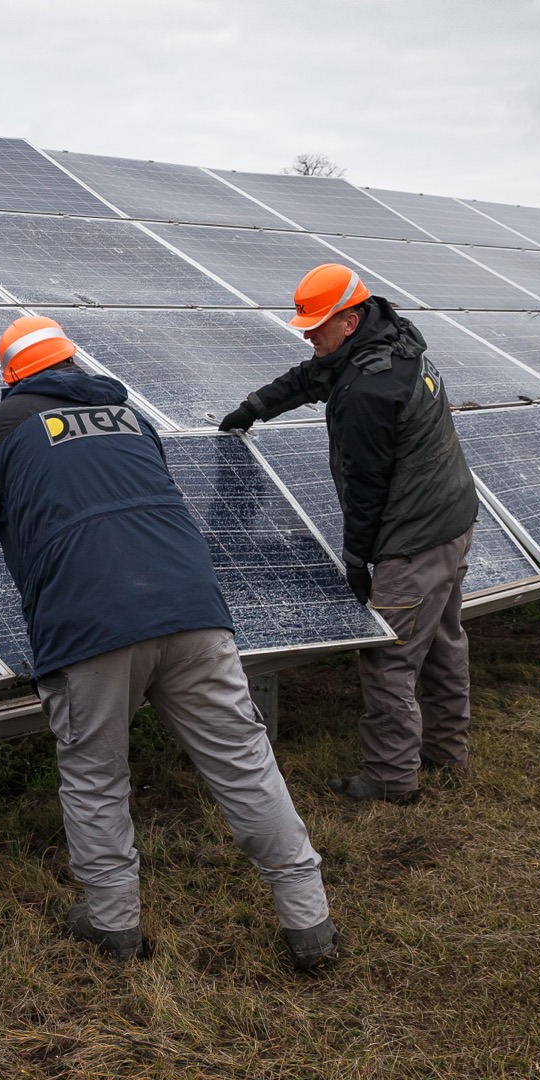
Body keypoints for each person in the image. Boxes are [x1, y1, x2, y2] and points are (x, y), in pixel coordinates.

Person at [0, 316, 338, 969]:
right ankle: (310, 920)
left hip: (91, 624)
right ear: (72, 364)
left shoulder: (8, 424)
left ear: (13, 377)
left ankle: (114, 924)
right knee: (244, 762)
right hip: (192, 608)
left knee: (97, 775)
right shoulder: (131, 419)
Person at [219, 265, 479, 804]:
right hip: (453, 520)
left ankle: (389, 780)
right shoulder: (392, 343)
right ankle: (446, 752)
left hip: (414, 536)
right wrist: (252, 410)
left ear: (351, 320)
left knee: (389, 657)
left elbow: (366, 489)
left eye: (317, 326)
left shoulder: (368, 389)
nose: (308, 334)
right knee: (443, 641)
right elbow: (310, 377)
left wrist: (358, 560)